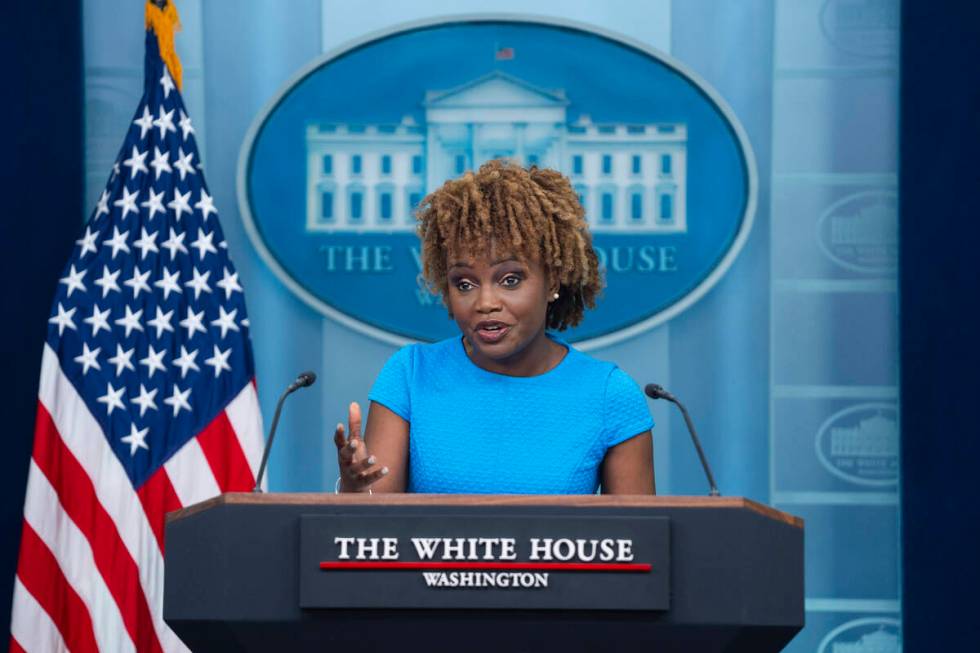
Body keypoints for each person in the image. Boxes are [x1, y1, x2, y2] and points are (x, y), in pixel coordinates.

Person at [333, 159, 654, 494]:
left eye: (510, 279)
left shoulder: (609, 395)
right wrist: (355, 489)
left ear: (553, 280)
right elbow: (372, 536)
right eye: (465, 283)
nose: (485, 303)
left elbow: (639, 542)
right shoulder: (410, 375)